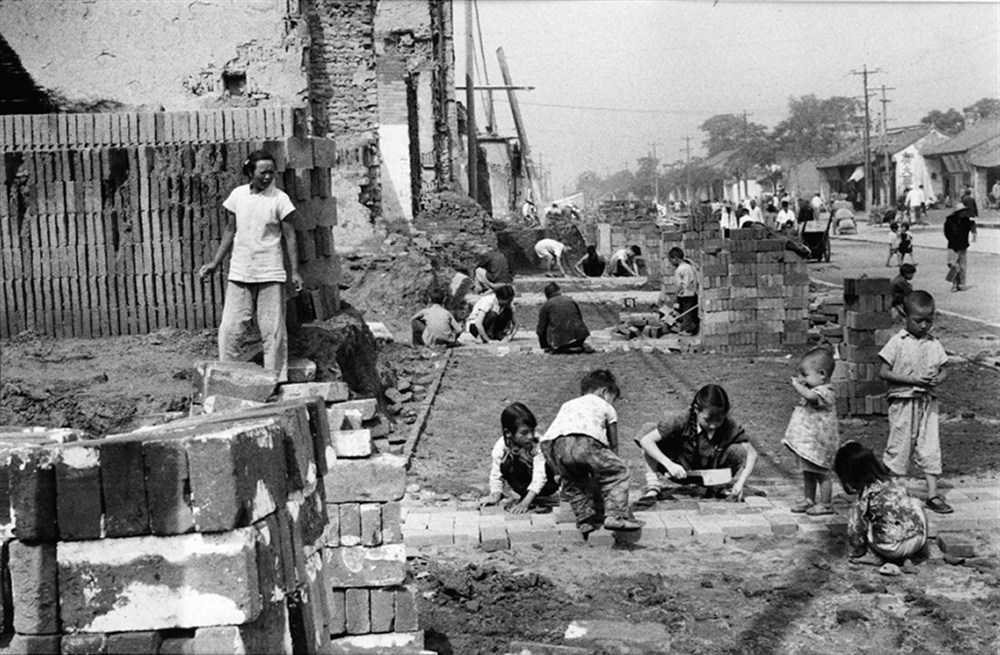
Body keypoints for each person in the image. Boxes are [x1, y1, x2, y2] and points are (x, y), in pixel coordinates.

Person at [199, 149, 302, 382]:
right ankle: (227, 378)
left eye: (271, 173)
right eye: (263, 172)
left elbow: (290, 236)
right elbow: (229, 230)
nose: (268, 177)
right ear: (250, 172)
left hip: (270, 272)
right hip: (240, 271)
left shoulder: (280, 199)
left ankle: (274, 380)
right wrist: (215, 262)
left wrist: (294, 271)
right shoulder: (238, 196)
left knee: (272, 331)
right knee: (231, 329)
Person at [540, 369, 640, 535]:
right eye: (613, 399)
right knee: (619, 472)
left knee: (574, 482)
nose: (612, 403)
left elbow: (547, 440)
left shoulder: (568, 404)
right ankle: (615, 516)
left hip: (557, 446)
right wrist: (611, 462)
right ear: (604, 392)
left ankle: (584, 520)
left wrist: (557, 470)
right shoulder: (606, 407)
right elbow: (613, 443)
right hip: (587, 443)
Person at [879, 290, 952, 514]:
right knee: (900, 445)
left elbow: (945, 369)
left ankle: (933, 494)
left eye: (928, 321)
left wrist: (936, 379)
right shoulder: (897, 342)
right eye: (918, 321)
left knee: (930, 447)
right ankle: (892, 488)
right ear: (905, 317)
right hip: (903, 401)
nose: (923, 326)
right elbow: (884, 371)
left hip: (927, 403)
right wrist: (911, 379)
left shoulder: (934, 344)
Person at [633, 384, 758, 507]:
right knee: (649, 431)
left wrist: (740, 483)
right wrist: (669, 464)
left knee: (738, 450)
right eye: (708, 420)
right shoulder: (681, 419)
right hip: (677, 471)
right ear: (696, 409)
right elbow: (646, 441)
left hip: (710, 474)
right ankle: (653, 487)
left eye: (719, 420)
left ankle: (717, 488)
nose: (713, 425)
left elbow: (751, 454)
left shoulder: (729, 425)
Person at [835, 442, 928, 570]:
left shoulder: (866, 495)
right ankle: (921, 551)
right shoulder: (894, 482)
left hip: (892, 548)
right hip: (918, 539)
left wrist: (856, 551)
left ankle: (875, 556)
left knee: (865, 522)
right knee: (916, 503)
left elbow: (855, 528)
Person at [781, 348, 840, 516]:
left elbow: (810, 397)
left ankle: (826, 503)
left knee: (822, 473)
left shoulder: (826, 391)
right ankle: (809, 498)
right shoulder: (816, 389)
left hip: (819, 443)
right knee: (808, 471)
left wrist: (797, 385)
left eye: (806, 375)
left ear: (822, 374)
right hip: (810, 443)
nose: (803, 379)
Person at [481, 402, 560, 514]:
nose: (530, 436)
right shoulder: (501, 447)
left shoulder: (538, 444)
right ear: (508, 433)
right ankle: (526, 494)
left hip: (548, 485)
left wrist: (525, 503)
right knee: (506, 462)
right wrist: (495, 496)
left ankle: (531, 496)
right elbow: (496, 475)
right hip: (523, 484)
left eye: (532, 431)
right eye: (524, 433)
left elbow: (540, 476)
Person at [536, 282, 594, 354]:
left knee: (547, 326)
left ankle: (560, 346)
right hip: (580, 337)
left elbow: (541, 329)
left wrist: (544, 345)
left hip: (559, 341)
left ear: (547, 295)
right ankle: (577, 344)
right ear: (560, 291)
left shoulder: (546, 305)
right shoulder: (570, 300)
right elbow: (579, 318)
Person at [944, 202, 977, 292]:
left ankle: (962, 284)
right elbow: (947, 233)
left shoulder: (966, 221)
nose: (963, 213)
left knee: (962, 266)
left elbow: (971, 228)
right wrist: (952, 240)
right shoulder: (950, 221)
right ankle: (954, 284)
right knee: (953, 266)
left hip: (963, 246)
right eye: (961, 211)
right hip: (953, 245)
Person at [667, 247, 698, 336]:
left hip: (685, 294)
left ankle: (689, 330)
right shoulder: (689, 266)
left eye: (671, 260)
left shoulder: (680, 270)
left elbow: (680, 285)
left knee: (687, 312)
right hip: (692, 293)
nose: (671, 263)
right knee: (688, 311)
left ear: (675, 258)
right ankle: (687, 325)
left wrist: (676, 295)